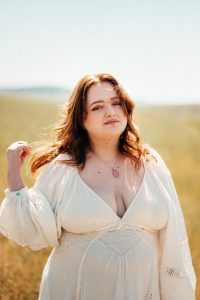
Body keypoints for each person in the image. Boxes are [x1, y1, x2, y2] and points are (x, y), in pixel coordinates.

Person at [0, 73, 196, 300]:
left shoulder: (151, 163)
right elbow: (31, 229)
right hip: (76, 291)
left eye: (116, 103)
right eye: (97, 107)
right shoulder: (64, 168)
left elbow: (174, 234)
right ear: (81, 119)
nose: (111, 112)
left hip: (142, 292)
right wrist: (14, 172)